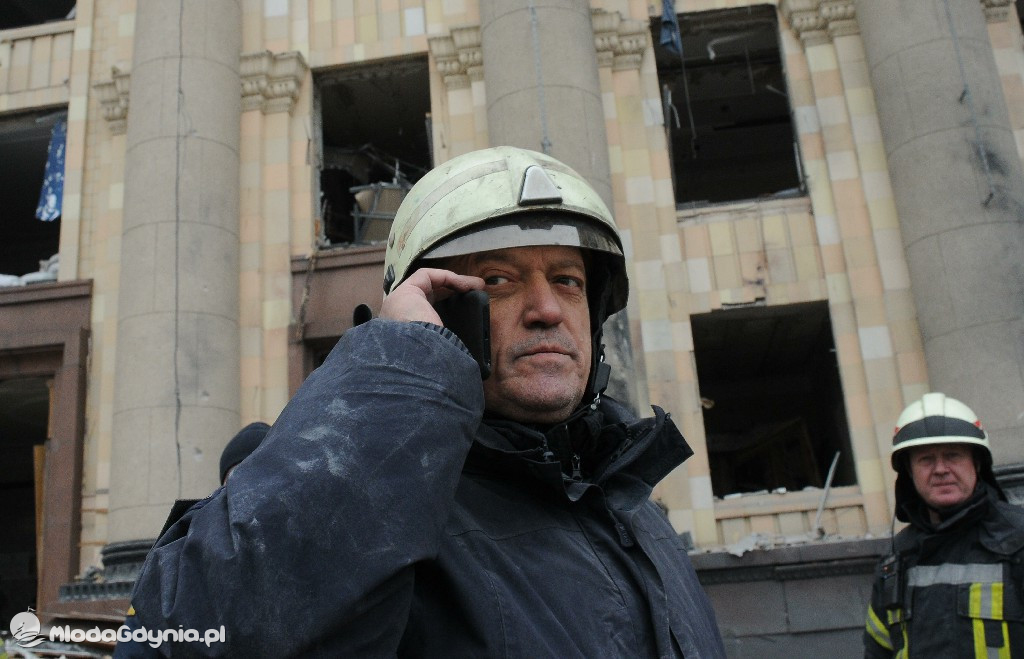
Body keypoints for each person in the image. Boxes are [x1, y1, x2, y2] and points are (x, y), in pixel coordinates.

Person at [122, 146, 725, 656]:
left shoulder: (633, 511)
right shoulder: (366, 493)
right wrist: (409, 360)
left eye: (567, 280)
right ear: (433, 310)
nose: (547, 309)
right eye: (498, 280)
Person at [864, 392, 1024, 658]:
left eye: (953, 455)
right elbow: (878, 651)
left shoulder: (1018, 539)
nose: (940, 469)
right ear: (909, 472)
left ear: (977, 463)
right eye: (926, 459)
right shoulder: (897, 558)